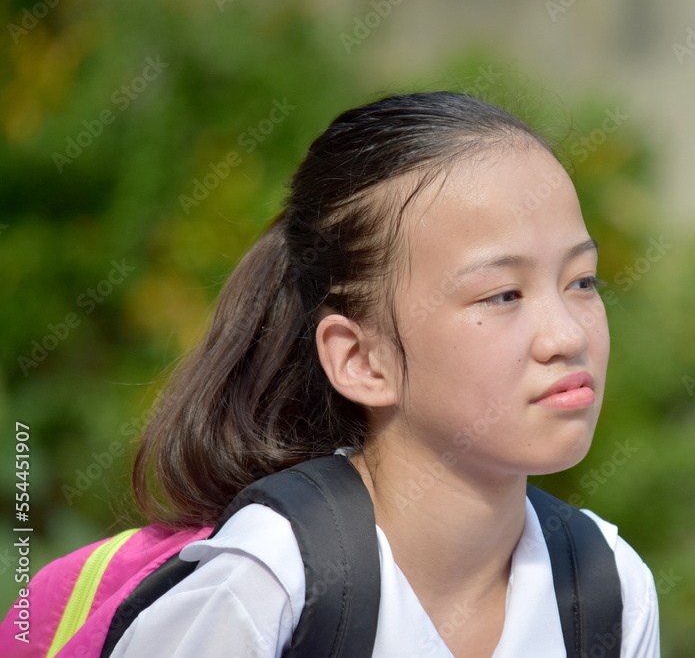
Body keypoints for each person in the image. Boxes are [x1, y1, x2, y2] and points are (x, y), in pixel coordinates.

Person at [113, 91, 660, 657]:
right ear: (360, 359)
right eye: (502, 294)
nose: (567, 336)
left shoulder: (612, 591)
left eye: (582, 281)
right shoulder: (268, 587)